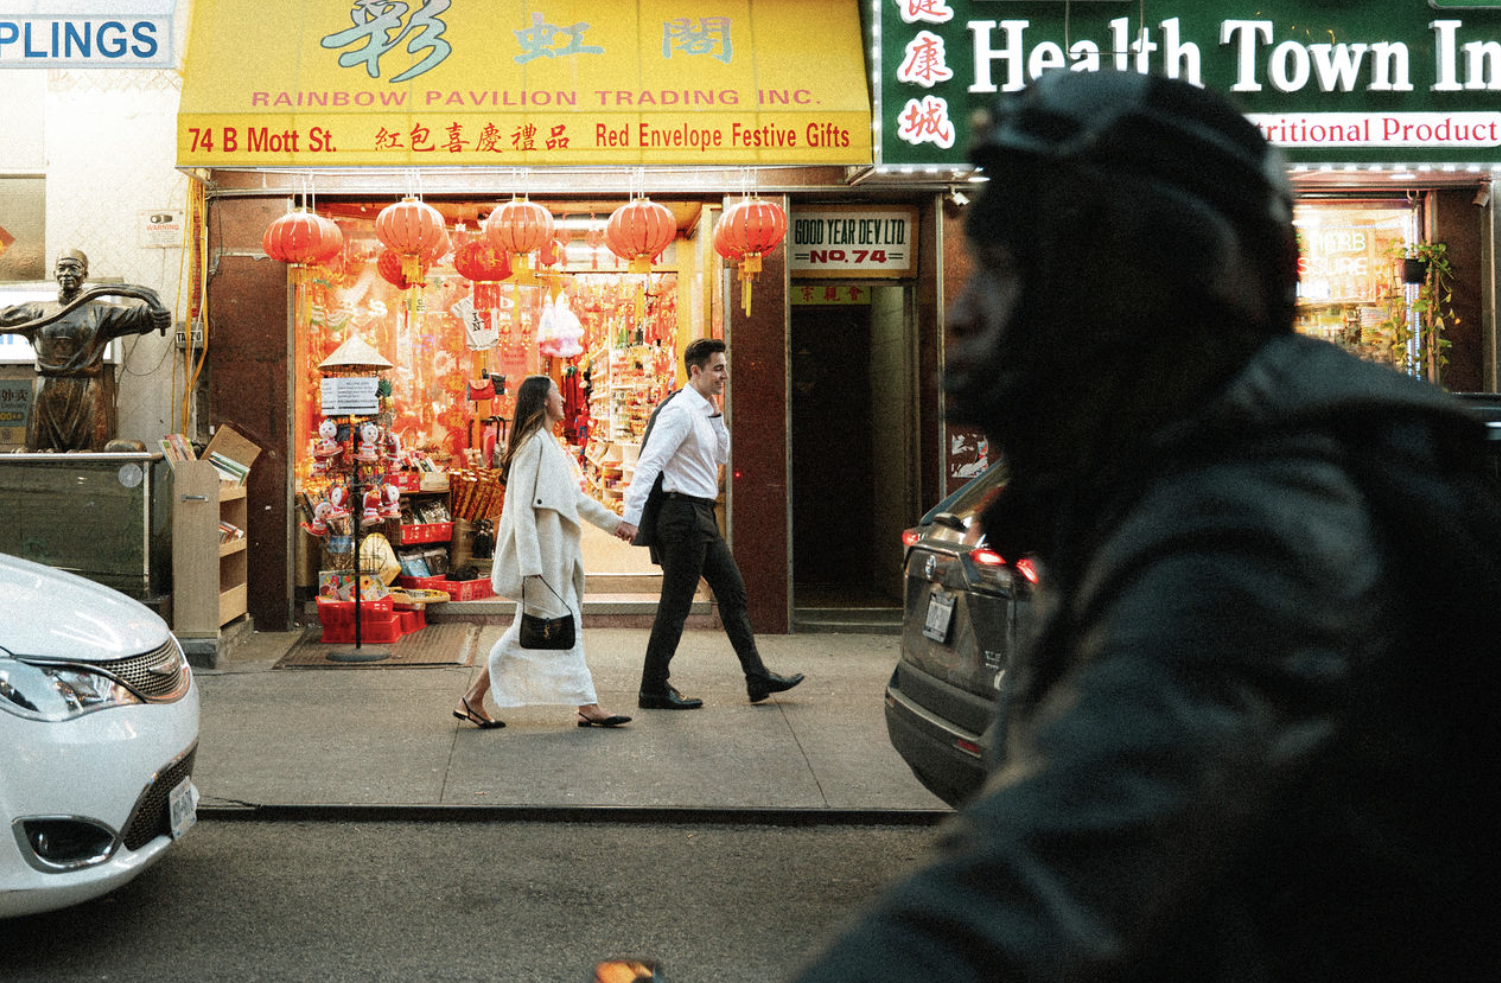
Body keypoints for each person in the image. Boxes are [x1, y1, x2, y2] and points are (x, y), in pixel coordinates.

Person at [790, 69, 1499, 982]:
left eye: (1004, 273)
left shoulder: (1256, 526)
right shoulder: (1128, 488)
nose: (962, 313)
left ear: (1124, 288)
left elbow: (1059, 864)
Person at [616, 338, 803, 710]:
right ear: (696, 371)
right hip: (681, 516)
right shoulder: (679, 411)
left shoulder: (703, 409)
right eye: (717, 368)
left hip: (702, 515)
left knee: (732, 592)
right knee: (676, 605)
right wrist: (630, 518)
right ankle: (653, 687)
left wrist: (716, 414)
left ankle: (756, 677)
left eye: (725, 367)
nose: (724, 375)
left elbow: (721, 453)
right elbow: (650, 463)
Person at [456, 374, 636, 730]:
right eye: (558, 395)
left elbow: (575, 499)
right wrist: (531, 564)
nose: (564, 401)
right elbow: (521, 508)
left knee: (544, 629)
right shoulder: (532, 445)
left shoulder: (548, 443)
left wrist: (617, 524)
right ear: (543, 401)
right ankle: (587, 705)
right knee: (554, 628)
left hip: (553, 560)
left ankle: (474, 699)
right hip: (542, 563)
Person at [0, 249, 170, 452]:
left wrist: (157, 316)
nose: (67, 274)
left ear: (85, 274)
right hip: (46, 392)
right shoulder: (38, 311)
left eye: (74, 268)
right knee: (40, 455)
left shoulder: (102, 312)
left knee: (90, 455)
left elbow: (142, 316)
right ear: (54, 273)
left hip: (86, 391)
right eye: (62, 268)